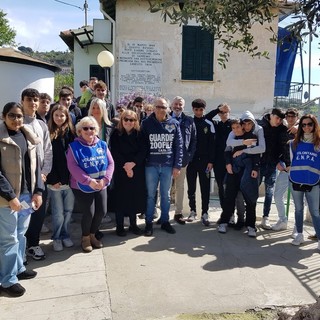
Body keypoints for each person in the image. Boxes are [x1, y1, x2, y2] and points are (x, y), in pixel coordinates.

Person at [0, 102, 44, 297]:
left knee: (20, 234)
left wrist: (38, 191)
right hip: (6, 199)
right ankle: (7, 280)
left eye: (19, 116)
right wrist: (10, 197)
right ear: (3, 116)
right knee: (8, 239)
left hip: (27, 195)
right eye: (12, 116)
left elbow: (36, 167)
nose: (16, 119)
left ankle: (18, 269)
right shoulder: (1, 138)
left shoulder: (27, 136)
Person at [66, 116, 114, 252]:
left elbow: (111, 163)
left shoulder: (102, 144)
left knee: (102, 211)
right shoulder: (74, 147)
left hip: (101, 184)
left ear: (96, 130)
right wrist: (89, 181)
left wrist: (105, 179)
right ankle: (85, 238)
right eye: (85, 128)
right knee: (89, 213)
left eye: (92, 128)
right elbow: (72, 166)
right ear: (80, 131)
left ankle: (93, 235)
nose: (89, 131)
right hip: (82, 186)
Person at [141, 97, 183, 236]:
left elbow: (179, 146)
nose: (161, 110)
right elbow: (142, 145)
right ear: (154, 108)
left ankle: (165, 221)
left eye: (164, 107)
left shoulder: (174, 123)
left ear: (168, 109)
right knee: (150, 195)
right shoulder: (146, 123)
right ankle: (148, 223)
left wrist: (177, 165)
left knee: (165, 195)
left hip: (167, 166)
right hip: (151, 165)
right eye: (158, 107)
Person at [21, 88, 53, 261]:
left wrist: (44, 172)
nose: (33, 103)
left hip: (40, 179)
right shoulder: (17, 123)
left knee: (38, 213)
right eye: (29, 99)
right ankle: (21, 249)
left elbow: (48, 150)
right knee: (23, 214)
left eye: (35, 100)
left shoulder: (41, 125)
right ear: (22, 101)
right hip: (23, 179)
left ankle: (33, 244)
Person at [218, 118, 260, 237]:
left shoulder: (251, 137)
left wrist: (255, 168)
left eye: (237, 127)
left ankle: (251, 226)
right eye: (233, 128)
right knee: (229, 197)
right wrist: (228, 164)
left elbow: (256, 154)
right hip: (233, 171)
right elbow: (226, 152)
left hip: (247, 171)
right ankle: (224, 221)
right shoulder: (232, 139)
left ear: (242, 126)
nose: (236, 130)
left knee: (250, 199)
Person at [110, 110, 146, 236]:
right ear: (122, 120)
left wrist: (133, 164)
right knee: (120, 198)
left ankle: (133, 224)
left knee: (133, 197)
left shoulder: (140, 134)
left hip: (136, 169)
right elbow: (114, 152)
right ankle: (119, 226)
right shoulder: (116, 133)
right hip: (121, 169)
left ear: (136, 121)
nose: (129, 122)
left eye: (132, 120)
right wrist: (126, 167)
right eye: (126, 119)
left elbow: (143, 151)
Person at [46, 105, 75, 252]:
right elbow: (47, 159)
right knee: (58, 213)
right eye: (56, 115)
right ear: (52, 116)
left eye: (62, 116)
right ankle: (56, 237)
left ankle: (65, 235)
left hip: (70, 181)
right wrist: (52, 179)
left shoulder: (71, 133)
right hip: (55, 182)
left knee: (68, 211)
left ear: (66, 117)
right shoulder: (48, 133)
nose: (59, 118)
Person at [289, 114, 320, 250]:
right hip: (296, 180)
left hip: (314, 181)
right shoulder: (294, 143)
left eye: (310, 124)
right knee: (299, 209)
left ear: (315, 125)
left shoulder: (319, 143)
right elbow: (289, 160)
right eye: (303, 125)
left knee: (315, 211)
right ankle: (299, 234)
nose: (307, 127)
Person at [186, 99, 215, 226]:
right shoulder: (189, 122)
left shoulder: (209, 123)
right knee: (191, 187)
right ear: (193, 109)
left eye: (201, 109)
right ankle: (193, 211)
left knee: (205, 187)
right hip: (191, 161)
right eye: (196, 109)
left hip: (205, 162)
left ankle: (205, 212)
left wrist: (211, 161)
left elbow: (212, 144)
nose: (198, 112)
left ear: (204, 109)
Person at [88, 97, 115, 224]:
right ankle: (93, 217)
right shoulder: (86, 125)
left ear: (104, 109)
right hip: (90, 164)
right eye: (93, 107)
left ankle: (101, 216)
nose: (96, 110)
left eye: (98, 107)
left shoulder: (110, 126)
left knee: (104, 190)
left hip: (106, 165)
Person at [169, 96, 197, 224]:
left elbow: (193, 140)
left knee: (180, 187)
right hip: (166, 159)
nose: (177, 106)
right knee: (165, 187)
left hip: (182, 160)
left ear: (183, 106)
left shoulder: (189, 121)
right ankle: (163, 213)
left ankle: (178, 212)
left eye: (180, 104)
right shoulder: (165, 119)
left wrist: (189, 156)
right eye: (175, 104)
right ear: (171, 105)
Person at [272, 108, 299, 231]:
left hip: (298, 170)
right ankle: (283, 220)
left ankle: (297, 227)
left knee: (298, 200)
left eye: (293, 116)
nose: (291, 118)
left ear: (297, 117)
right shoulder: (281, 130)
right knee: (277, 195)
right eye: (288, 116)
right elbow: (276, 148)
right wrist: (277, 162)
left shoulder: (303, 130)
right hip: (284, 169)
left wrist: (298, 129)